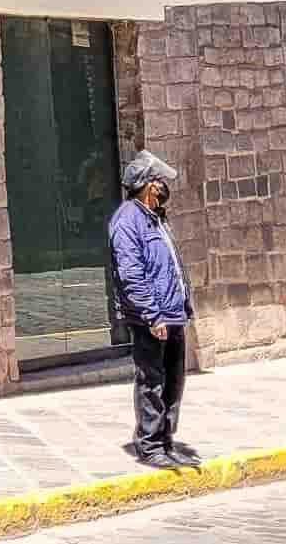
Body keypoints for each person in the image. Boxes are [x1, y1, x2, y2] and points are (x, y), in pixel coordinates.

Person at [108, 150, 199, 470]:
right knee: (152, 381)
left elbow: (171, 266)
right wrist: (152, 315)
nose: (163, 186)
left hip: (173, 312)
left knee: (174, 380)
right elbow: (131, 275)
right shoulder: (127, 221)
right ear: (147, 185)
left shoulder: (157, 217)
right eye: (159, 181)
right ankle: (148, 445)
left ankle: (165, 439)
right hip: (152, 317)